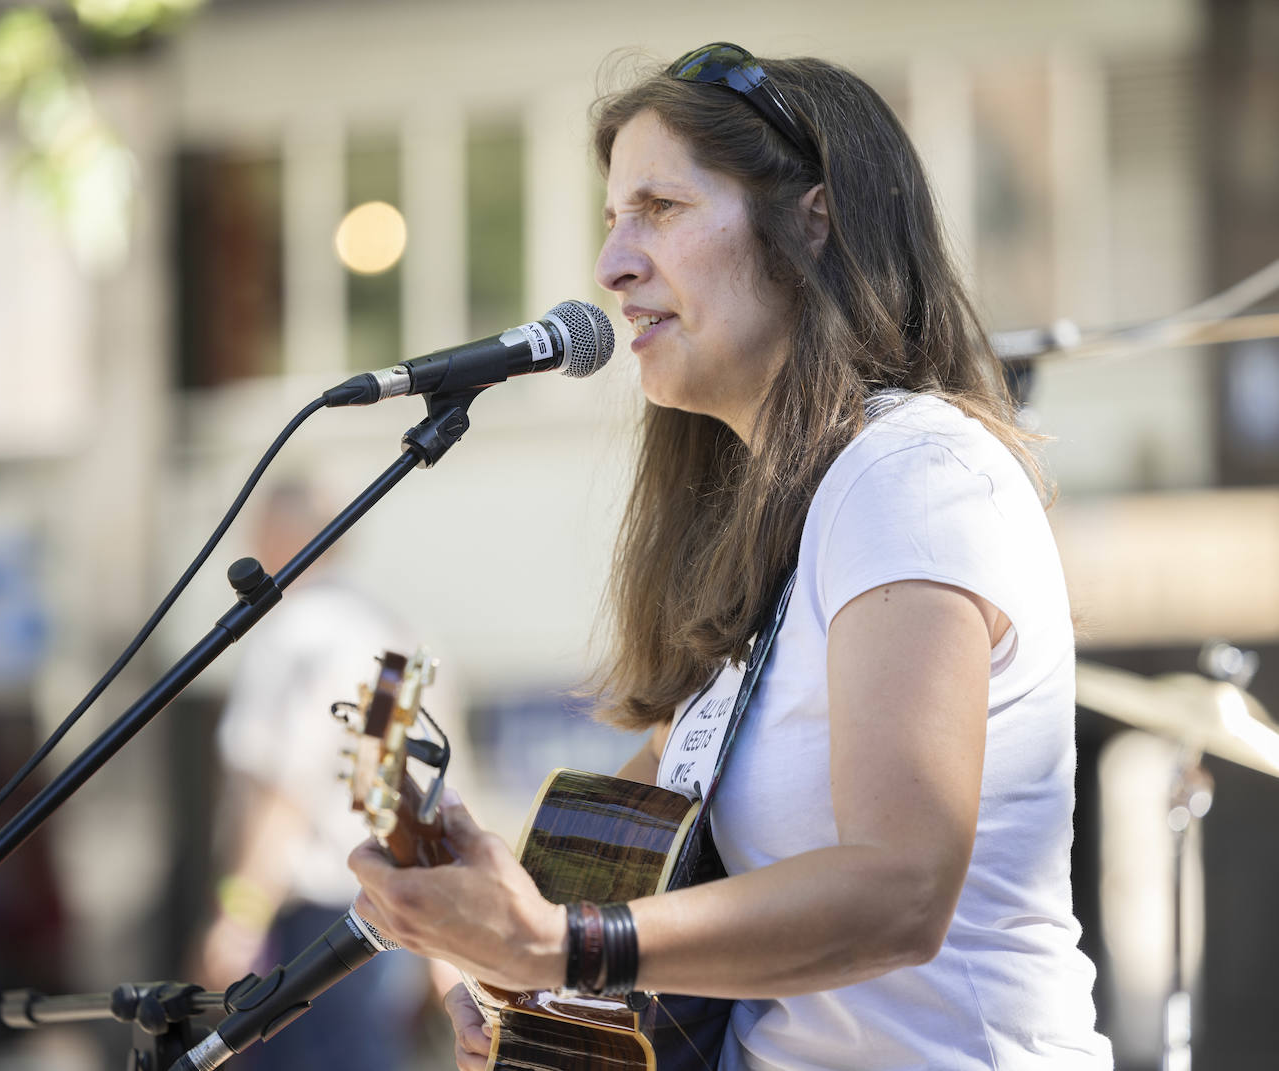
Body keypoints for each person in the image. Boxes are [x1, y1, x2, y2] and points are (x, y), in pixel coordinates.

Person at [348, 42, 1114, 1070]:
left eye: (659, 207)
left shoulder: (913, 473)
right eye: (611, 219)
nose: (611, 264)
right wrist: (505, 954)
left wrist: (562, 944)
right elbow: (630, 881)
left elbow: (899, 892)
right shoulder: (771, 536)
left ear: (814, 217)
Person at [195, 480, 435, 1070]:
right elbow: (401, 782)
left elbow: (285, 786)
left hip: (308, 923)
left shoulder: (296, 632)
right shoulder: (386, 631)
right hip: (384, 910)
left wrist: (240, 912)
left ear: (285, 537)